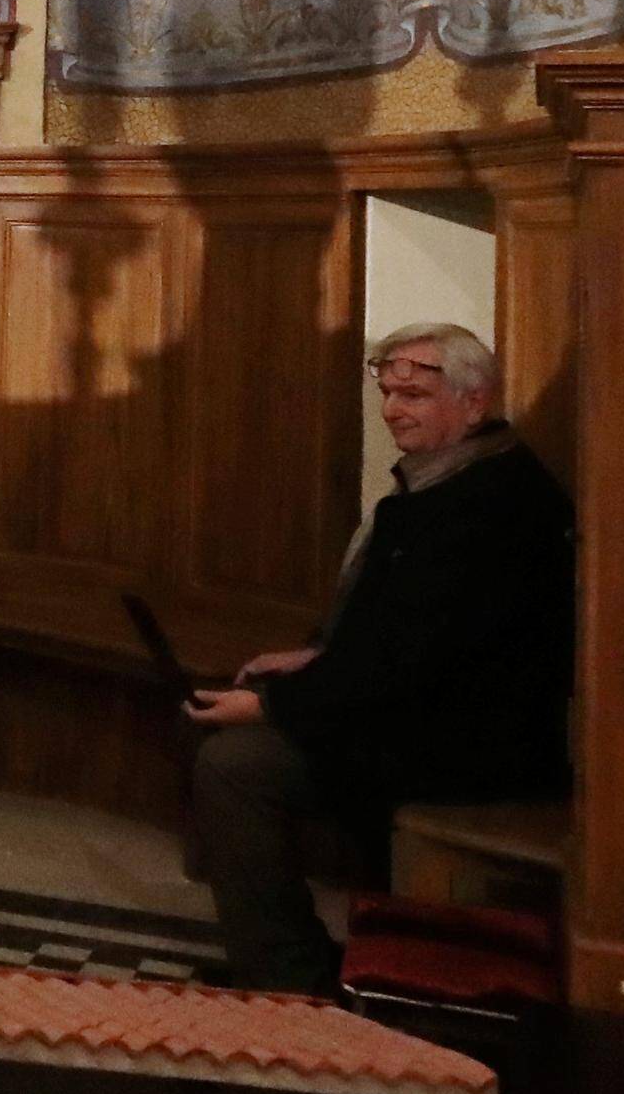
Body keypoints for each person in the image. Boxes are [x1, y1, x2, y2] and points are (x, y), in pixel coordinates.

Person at [182, 322, 576, 993]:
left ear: (474, 401)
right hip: (422, 712)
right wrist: (311, 659)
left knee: (233, 767)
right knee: (221, 734)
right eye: (389, 393)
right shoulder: (454, 477)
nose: (394, 410)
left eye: (415, 395)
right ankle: (283, 956)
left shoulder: (493, 503)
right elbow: (390, 637)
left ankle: (289, 979)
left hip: (470, 744)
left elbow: (412, 662)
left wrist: (274, 705)